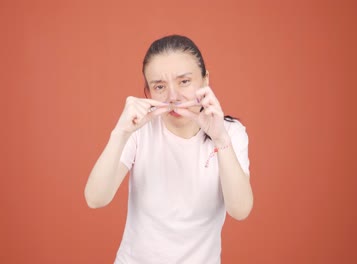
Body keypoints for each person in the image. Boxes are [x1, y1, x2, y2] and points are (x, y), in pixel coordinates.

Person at [85, 35, 253, 264]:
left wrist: (220, 138)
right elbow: (95, 198)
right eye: (160, 86)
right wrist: (120, 133)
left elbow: (240, 210)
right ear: (148, 92)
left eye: (184, 81)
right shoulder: (141, 130)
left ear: (205, 81)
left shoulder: (231, 133)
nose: (173, 96)